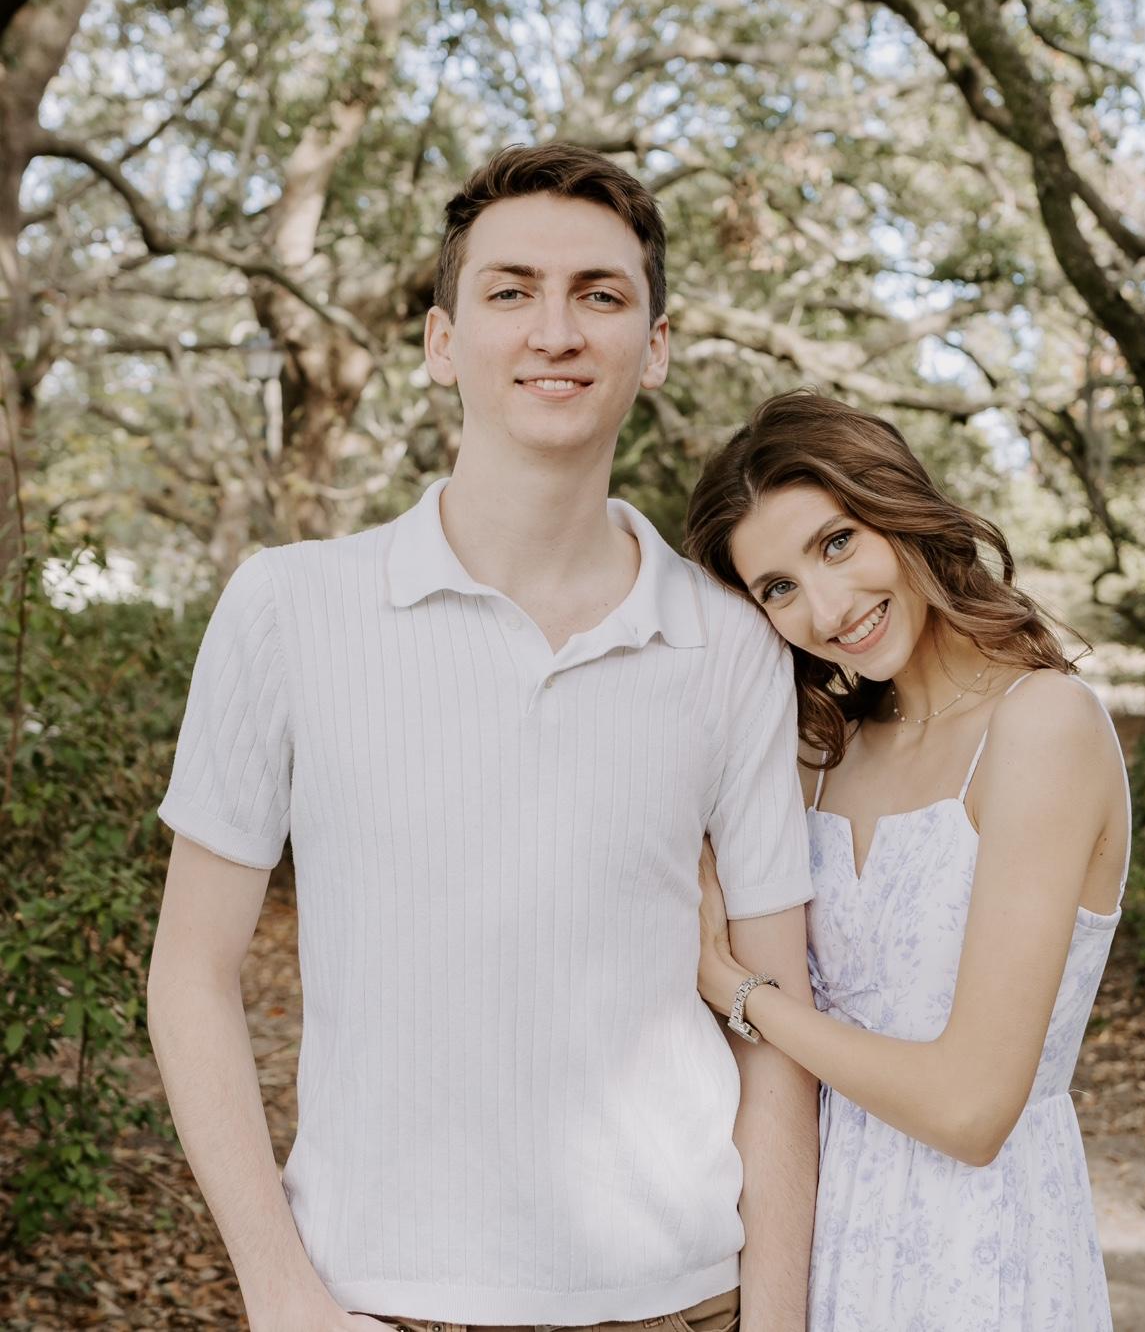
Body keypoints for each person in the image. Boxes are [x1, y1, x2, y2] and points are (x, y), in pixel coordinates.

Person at [146, 144, 818, 1332]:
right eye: (510, 291)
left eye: (599, 294)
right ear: (441, 341)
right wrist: (280, 1291)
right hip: (372, 1299)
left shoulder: (731, 643)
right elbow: (190, 974)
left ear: (654, 345)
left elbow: (778, 1028)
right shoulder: (288, 606)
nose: (554, 330)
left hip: (680, 1301)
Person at [684, 390, 1129, 1331]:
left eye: (837, 542)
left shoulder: (1043, 726)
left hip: (988, 1257)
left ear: (898, 508)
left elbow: (972, 1111)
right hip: (824, 1247)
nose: (828, 608)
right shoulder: (817, 757)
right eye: (777, 588)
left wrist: (741, 993)